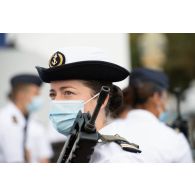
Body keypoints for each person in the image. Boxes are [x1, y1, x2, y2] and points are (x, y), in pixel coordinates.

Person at [35, 47, 143, 163]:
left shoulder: (117, 159)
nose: (57, 101)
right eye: (53, 95)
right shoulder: (72, 149)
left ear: (102, 99)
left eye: (68, 92)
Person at [101, 68, 193, 162]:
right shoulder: (175, 140)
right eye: (166, 95)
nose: (166, 103)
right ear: (157, 96)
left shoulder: (105, 133)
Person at [0, 74, 53, 162]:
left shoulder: (36, 121)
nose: (39, 98)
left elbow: (44, 158)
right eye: (36, 94)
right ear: (21, 95)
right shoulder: (3, 120)